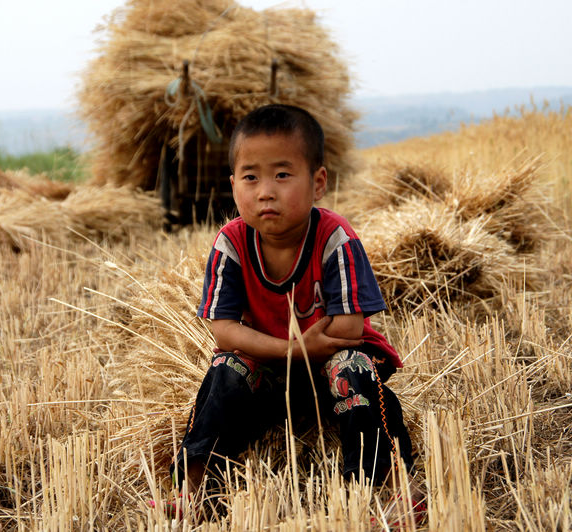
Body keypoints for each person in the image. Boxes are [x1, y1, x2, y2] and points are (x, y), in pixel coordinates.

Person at [174, 104, 421, 514]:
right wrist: (293, 348)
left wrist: (306, 351)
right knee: (225, 370)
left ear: (318, 182)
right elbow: (224, 332)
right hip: (270, 375)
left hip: (330, 374)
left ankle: (392, 486)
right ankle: (195, 488)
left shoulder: (334, 239)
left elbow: (348, 328)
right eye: (250, 177)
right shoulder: (231, 244)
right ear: (233, 184)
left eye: (282, 175)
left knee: (352, 369)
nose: (265, 191)